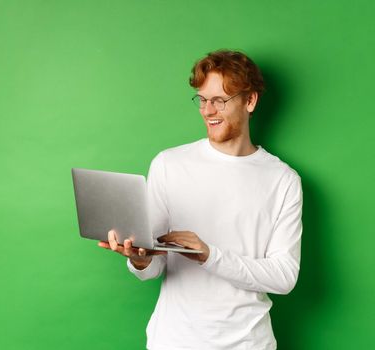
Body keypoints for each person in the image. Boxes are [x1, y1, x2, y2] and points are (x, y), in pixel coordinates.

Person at [98, 50, 303, 350]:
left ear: (250, 101)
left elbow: (284, 276)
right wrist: (139, 259)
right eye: (202, 99)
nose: (208, 110)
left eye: (219, 100)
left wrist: (210, 255)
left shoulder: (283, 180)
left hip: (248, 343)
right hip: (174, 341)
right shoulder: (169, 164)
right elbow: (154, 265)